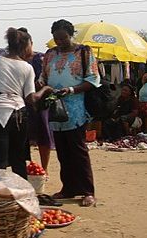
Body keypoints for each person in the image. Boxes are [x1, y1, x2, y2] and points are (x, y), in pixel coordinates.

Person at [40, 19, 99, 207]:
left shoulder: (84, 52)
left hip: (75, 110)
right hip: (55, 110)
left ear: (71, 34)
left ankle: (87, 191)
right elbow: (43, 77)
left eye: (63, 38)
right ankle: (69, 188)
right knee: (62, 152)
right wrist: (43, 86)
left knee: (78, 151)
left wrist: (72, 90)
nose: (59, 42)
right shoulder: (50, 54)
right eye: (56, 39)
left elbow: (93, 79)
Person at [0, 27, 52, 179]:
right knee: (19, 159)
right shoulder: (27, 67)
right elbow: (31, 98)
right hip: (19, 114)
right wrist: (45, 90)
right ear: (25, 46)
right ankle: (21, 194)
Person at [21, 27, 55, 176]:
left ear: (31, 43)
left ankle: (44, 168)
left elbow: (47, 77)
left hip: (40, 103)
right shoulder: (15, 62)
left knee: (43, 136)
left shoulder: (40, 58)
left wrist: (40, 85)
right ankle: (23, 168)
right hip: (21, 103)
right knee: (21, 137)